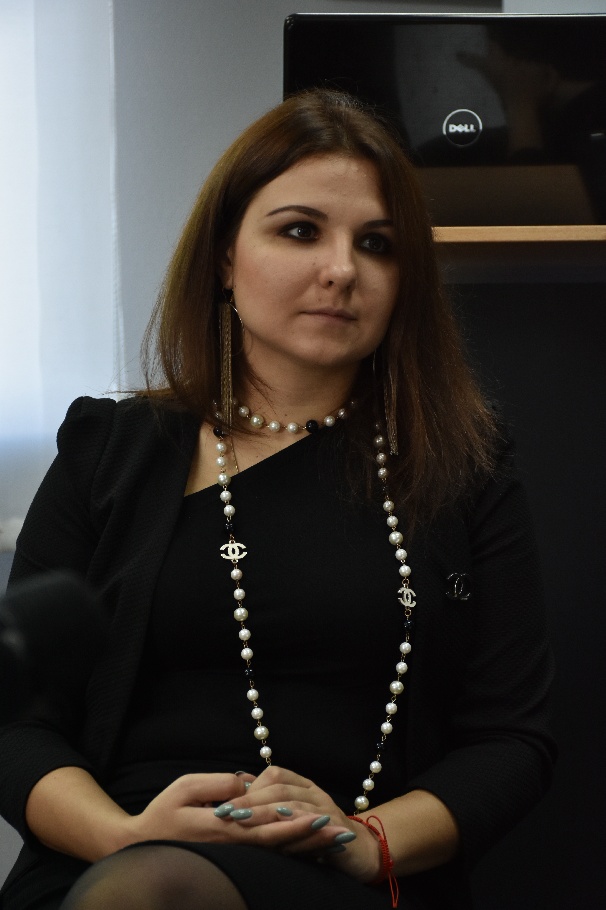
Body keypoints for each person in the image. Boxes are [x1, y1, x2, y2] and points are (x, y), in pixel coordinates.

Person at [0, 89, 555, 910]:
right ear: (226, 257)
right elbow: (16, 718)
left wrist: (366, 841)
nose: (341, 269)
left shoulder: (464, 468)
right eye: (300, 231)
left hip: (343, 868)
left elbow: (512, 739)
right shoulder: (106, 449)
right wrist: (123, 835)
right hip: (106, 858)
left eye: (377, 245)